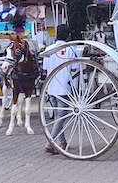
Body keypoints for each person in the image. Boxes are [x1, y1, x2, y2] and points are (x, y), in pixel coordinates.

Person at [43, 24, 77, 154]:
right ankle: (50, 142)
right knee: (61, 116)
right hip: (64, 87)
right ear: (68, 36)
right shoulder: (70, 49)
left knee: (58, 115)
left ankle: (62, 143)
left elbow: (45, 70)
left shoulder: (49, 49)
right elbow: (75, 69)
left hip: (51, 87)